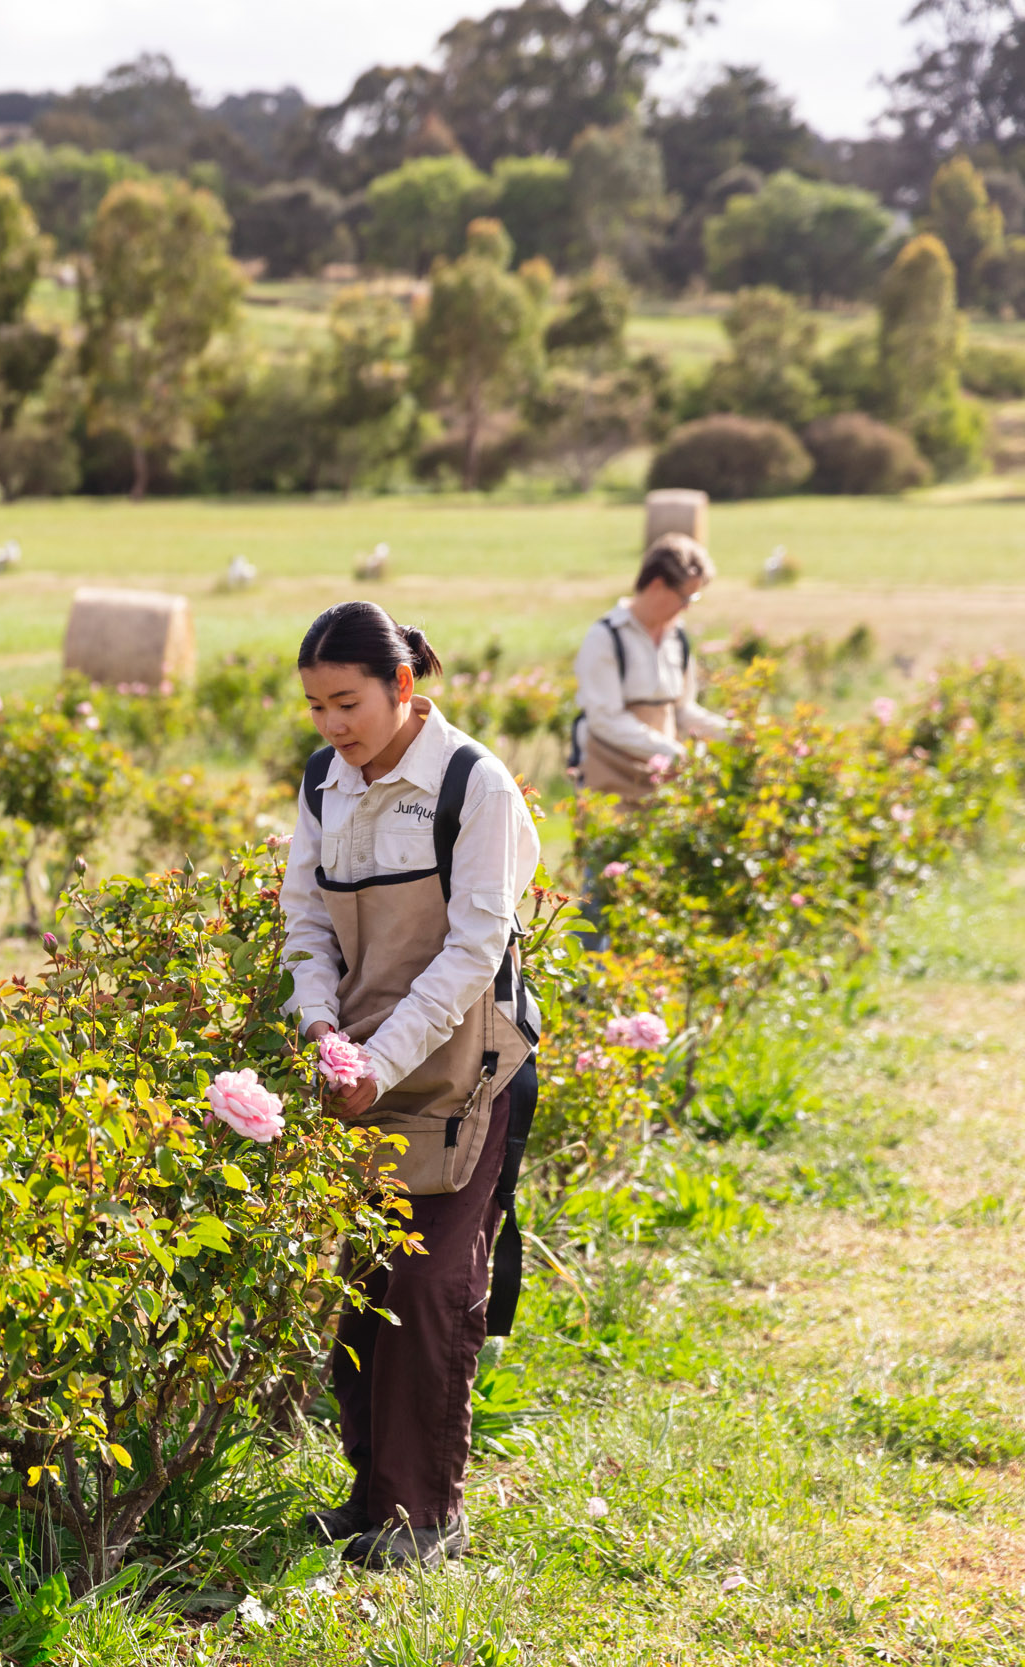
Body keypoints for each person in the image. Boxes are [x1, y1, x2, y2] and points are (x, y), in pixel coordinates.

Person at [279, 601, 542, 1570]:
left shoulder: (474, 783)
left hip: (466, 1064)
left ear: (401, 685)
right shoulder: (324, 782)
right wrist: (320, 1025)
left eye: (347, 702)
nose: (332, 725)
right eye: (316, 707)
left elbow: (473, 949)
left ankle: (425, 1513)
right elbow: (306, 923)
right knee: (369, 1283)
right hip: (362, 1061)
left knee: (432, 1282)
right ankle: (371, 1497)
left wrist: (382, 1059)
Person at [570, 534, 729, 804]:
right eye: (685, 597)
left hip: (662, 777)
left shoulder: (677, 638)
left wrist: (732, 733)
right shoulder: (606, 637)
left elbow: (682, 709)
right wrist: (672, 752)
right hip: (611, 775)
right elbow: (605, 719)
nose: (687, 608)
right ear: (657, 585)